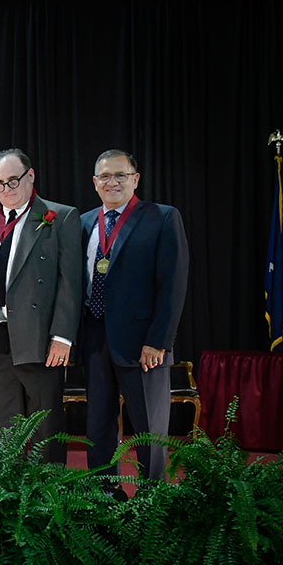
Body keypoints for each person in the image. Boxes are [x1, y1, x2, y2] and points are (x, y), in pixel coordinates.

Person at [0, 149, 81, 463]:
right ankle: (11, 497)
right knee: (5, 430)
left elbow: (71, 281)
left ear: (30, 175)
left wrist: (63, 336)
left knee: (45, 427)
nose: (7, 190)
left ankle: (49, 496)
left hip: (39, 339)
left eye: (13, 180)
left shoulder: (59, 216)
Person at [81, 149, 188, 484]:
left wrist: (158, 341)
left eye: (120, 175)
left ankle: (151, 500)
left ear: (135, 179)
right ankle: (104, 494)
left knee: (148, 430)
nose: (112, 182)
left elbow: (172, 286)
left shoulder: (162, 217)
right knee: (97, 426)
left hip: (144, 345)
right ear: (95, 182)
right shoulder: (83, 222)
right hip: (95, 340)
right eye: (105, 177)